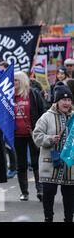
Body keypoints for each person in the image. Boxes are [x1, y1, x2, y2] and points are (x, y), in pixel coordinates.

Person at [33, 83, 74, 222]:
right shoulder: (46, 117)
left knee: (69, 197)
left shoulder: (73, 118)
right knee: (49, 194)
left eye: (69, 100)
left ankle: (69, 219)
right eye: (64, 100)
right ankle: (48, 218)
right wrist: (50, 139)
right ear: (57, 101)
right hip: (50, 165)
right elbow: (36, 136)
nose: (67, 103)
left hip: (69, 166)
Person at [14, 71, 45, 201]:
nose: (13, 82)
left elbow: (42, 112)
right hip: (17, 134)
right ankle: (24, 192)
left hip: (33, 133)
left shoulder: (33, 94)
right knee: (21, 164)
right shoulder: (9, 95)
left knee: (36, 162)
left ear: (22, 81)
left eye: (16, 80)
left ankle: (40, 190)